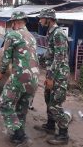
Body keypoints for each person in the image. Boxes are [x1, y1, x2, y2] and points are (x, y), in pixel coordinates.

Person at [0, 11, 39, 144]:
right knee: (21, 108)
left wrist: (1, 72)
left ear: (14, 23)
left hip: (20, 76)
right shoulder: (32, 37)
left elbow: (6, 57)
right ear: (24, 21)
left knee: (4, 104)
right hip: (35, 79)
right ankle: (18, 135)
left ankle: (20, 134)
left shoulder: (12, 34)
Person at [34, 8, 70, 145]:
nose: (40, 20)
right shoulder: (51, 33)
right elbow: (50, 54)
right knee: (48, 99)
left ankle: (63, 135)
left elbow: (59, 58)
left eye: (42, 18)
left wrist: (50, 77)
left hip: (58, 75)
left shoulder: (58, 34)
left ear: (49, 19)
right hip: (52, 72)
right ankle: (50, 125)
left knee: (55, 103)